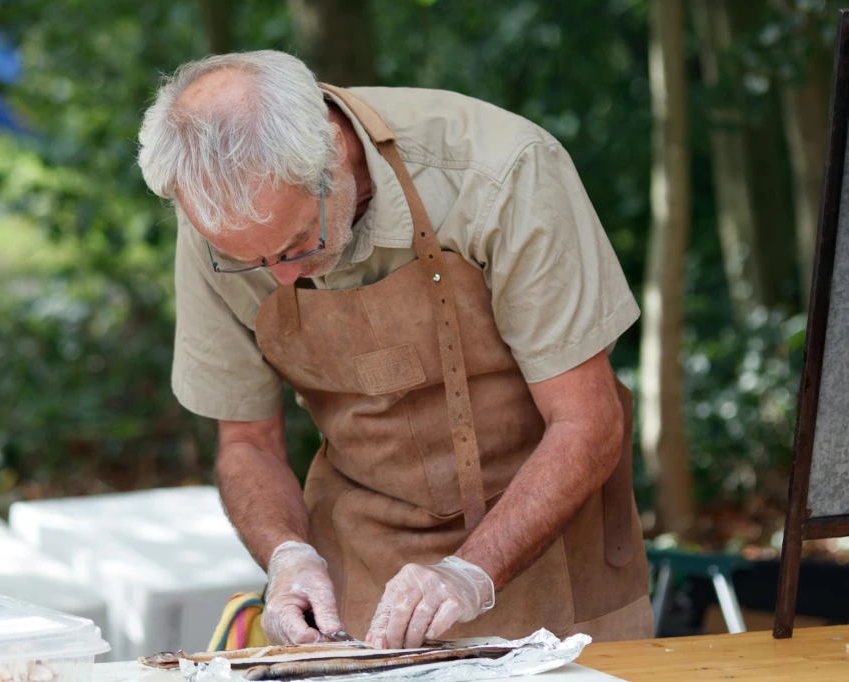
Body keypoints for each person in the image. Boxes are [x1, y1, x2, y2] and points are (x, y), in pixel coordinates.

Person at [137, 49, 652, 650]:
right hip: (360, 573)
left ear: (332, 152)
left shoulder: (501, 172)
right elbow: (248, 442)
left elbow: (587, 422)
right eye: (250, 261)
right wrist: (287, 555)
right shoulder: (220, 219)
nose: (279, 278)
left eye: (299, 242)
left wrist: (466, 574)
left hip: (554, 560)